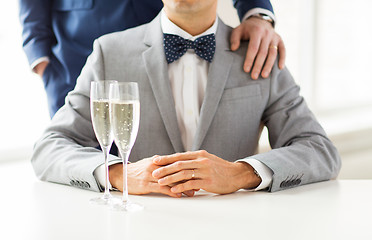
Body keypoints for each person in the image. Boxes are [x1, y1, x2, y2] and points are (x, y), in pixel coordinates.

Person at [31, 0, 341, 197]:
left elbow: (320, 149)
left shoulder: (259, 55)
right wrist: (120, 175)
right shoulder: (109, 53)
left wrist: (241, 174)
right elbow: (50, 147)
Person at [19, 0, 285, 118]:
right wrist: (41, 59)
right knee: (80, 172)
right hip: (75, 60)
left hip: (165, 53)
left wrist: (256, 13)